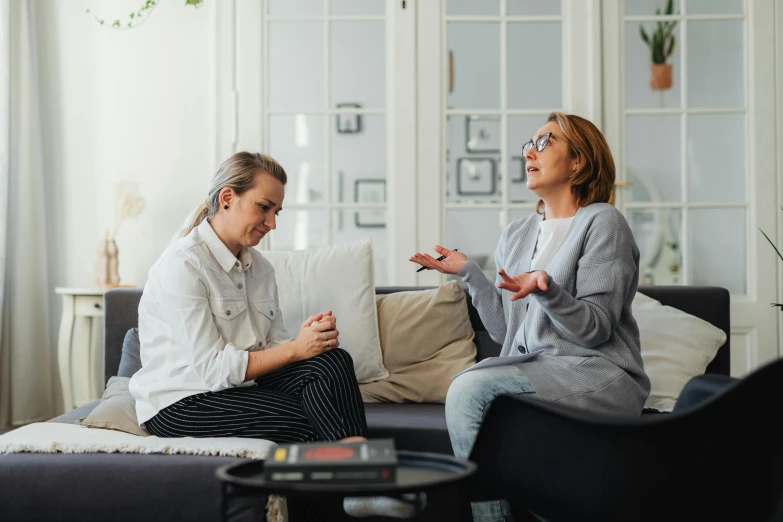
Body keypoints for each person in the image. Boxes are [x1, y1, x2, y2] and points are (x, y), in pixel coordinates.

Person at [410, 112, 651, 522]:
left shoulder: (603, 222)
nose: (529, 152)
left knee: (469, 389)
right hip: (542, 371)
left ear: (577, 161)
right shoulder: (518, 234)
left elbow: (595, 329)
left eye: (544, 142)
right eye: (528, 144)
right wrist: (471, 274)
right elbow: (509, 334)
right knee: (472, 387)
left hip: (597, 373)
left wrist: (548, 290)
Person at [129, 152, 368, 520]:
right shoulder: (183, 264)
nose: (272, 223)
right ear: (227, 198)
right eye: (264, 207)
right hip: (181, 401)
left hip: (239, 388)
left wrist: (306, 343)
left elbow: (272, 347)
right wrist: (294, 349)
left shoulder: (260, 269)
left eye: (277, 212)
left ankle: (361, 479)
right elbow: (211, 370)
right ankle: (363, 483)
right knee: (307, 426)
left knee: (333, 359)